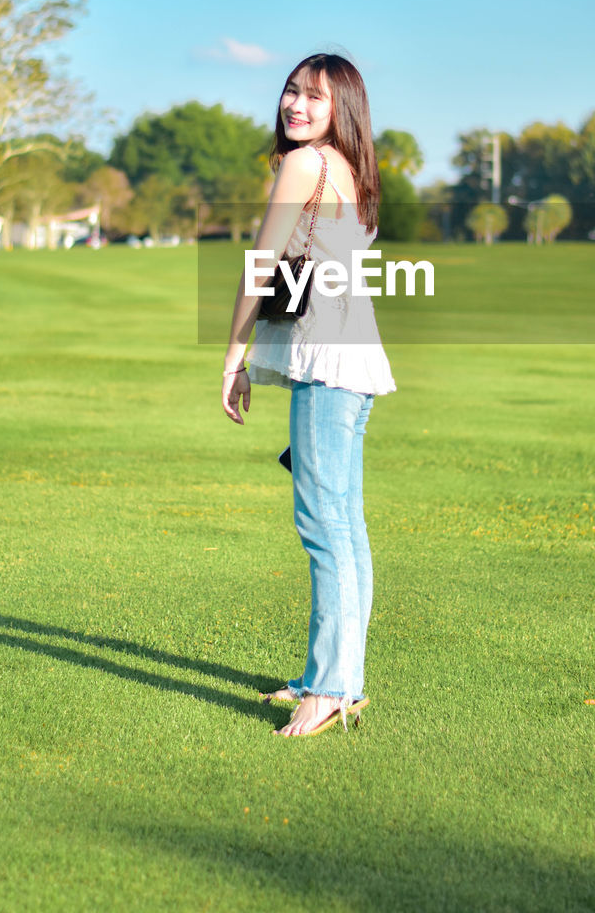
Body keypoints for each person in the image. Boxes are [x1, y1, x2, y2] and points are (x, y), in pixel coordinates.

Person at [221, 53, 396, 737]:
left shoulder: (305, 165)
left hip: (330, 370)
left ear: (340, 109)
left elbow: (260, 267)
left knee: (324, 531)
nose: (295, 104)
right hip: (352, 368)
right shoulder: (351, 171)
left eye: (314, 98)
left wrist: (232, 359)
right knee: (343, 529)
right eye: (291, 91)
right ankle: (334, 677)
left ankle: (328, 690)